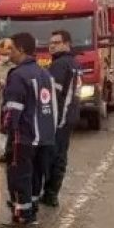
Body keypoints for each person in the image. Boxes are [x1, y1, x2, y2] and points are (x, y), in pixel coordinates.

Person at [0, 32, 59, 228]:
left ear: (21, 49)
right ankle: (31, 210)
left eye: (12, 49)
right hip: (45, 137)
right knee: (35, 175)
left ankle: (23, 217)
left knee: (19, 175)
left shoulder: (18, 75)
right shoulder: (45, 74)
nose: (9, 53)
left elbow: (12, 109)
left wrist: (6, 132)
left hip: (24, 136)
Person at [40, 30, 82, 208]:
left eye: (56, 42)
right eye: (50, 42)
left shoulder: (61, 64)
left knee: (54, 156)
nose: (52, 45)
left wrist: (46, 117)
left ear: (66, 44)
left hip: (61, 116)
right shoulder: (73, 62)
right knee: (59, 154)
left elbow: (52, 95)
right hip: (70, 114)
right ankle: (51, 193)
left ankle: (50, 194)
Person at [0, 39, 17, 163]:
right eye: (1, 54)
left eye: (6, 54)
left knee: (12, 128)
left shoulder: (16, 66)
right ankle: (5, 153)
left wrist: (5, 83)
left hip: (12, 102)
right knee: (0, 128)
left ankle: (13, 154)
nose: (3, 57)